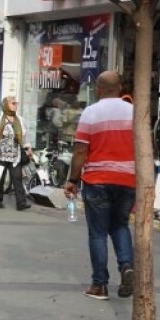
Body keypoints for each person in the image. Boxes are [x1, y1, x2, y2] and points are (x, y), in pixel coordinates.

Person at [64, 71, 135, 301]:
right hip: (127, 180)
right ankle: (126, 267)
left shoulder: (91, 112)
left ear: (98, 89)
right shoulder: (134, 112)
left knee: (97, 234)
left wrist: (73, 180)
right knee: (120, 225)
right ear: (121, 87)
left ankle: (99, 285)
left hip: (97, 180)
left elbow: (81, 150)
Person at [0, 95, 31, 211]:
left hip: (15, 155)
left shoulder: (20, 120)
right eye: (13, 103)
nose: (16, 105)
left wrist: (28, 148)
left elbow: (24, 136)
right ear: (6, 105)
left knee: (17, 178)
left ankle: (21, 203)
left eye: (16, 103)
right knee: (0, 178)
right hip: (1, 154)